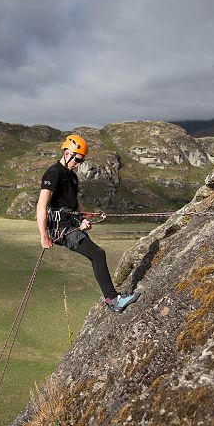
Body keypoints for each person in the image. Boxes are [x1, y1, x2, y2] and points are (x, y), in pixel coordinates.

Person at [36, 134, 140, 313]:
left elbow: (77, 205)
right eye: (78, 159)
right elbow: (41, 205)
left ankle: (112, 298)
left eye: (82, 160)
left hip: (71, 223)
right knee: (98, 254)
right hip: (60, 228)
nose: (79, 163)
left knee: (97, 254)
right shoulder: (54, 173)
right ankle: (113, 301)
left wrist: (84, 219)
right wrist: (44, 236)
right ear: (67, 153)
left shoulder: (73, 177)